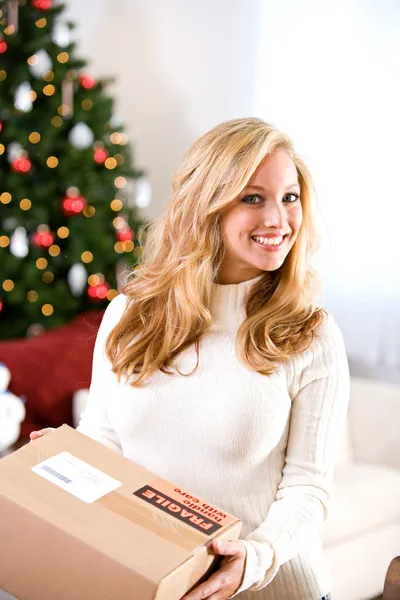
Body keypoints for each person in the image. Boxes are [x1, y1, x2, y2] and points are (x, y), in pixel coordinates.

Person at [30, 117, 349, 600]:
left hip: (278, 591)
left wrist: (254, 558)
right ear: (206, 204)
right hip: (154, 586)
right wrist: (64, 461)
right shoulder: (128, 315)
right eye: (252, 197)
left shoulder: (311, 334)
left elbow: (308, 488)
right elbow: (106, 440)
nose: (279, 220)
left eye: (289, 197)